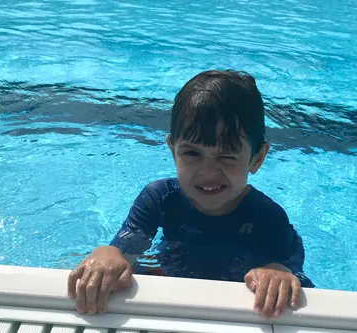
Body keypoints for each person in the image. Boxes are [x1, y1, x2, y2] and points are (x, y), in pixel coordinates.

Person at [67, 69, 314, 320]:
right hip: (170, 282)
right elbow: (126, 251)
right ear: (173, 150)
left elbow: (296, 274)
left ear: (257, 158)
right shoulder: (159, 198)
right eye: (192, 153)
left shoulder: (267, 216)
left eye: (227, 157)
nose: (207, 171)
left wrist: (279, 272)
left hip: (233, 304)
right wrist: (110, 254)